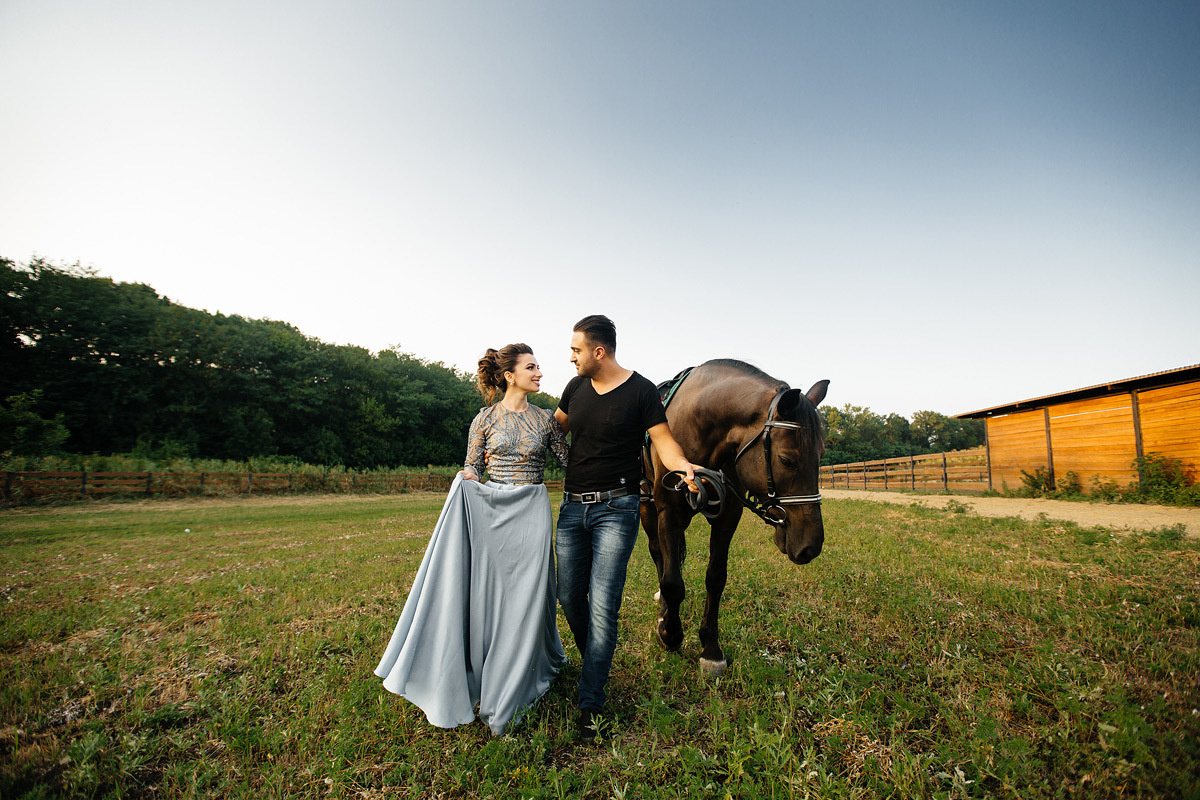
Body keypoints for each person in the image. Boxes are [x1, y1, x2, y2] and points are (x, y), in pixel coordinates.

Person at [374, 343, 568, 736]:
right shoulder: (483, 420)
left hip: (531, 510)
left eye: (539, 367)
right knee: (491, 595)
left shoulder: (547, 421)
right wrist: (468, 479)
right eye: (531, 368)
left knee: (527, 597)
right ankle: (483, 667)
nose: (540, 373)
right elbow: (472, 465)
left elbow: (570, 461)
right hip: (492, 514)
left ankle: (514, 682)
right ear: (510, 375)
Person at [553, 314, 699, 742]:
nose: (572, 357)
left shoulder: (641, 391)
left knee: (602, 605)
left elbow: (664, 442)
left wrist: (683, 465)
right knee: (568, 597)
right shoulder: (575, 389)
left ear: (599, 352)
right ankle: (596, 663)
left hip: (617, 509)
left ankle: (591, 701)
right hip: (571, 508)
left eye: (576, 350)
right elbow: (552, 430)